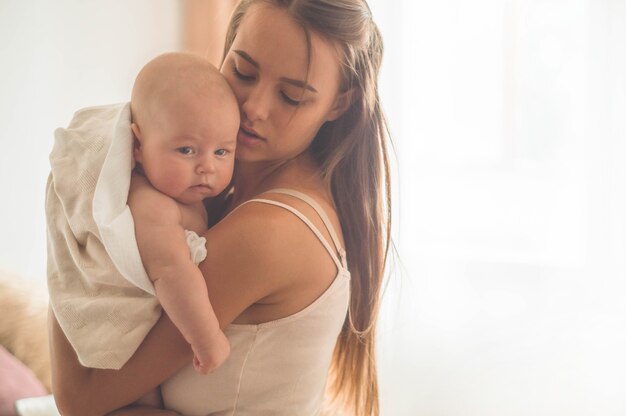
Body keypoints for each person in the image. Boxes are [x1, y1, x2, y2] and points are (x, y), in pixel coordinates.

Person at [49, 0, 392, 415]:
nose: (254, 108)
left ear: (339, 104)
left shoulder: (269, 231)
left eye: (291, 96)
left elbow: (81, 399)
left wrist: (78, 210)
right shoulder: (224, 196)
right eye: (243, 72)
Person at [128, 53, 236, 375]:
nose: (207, 166)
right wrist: (207, 339)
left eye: (221, 151)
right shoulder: (152, 204)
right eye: (186, 150)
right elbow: (171, 271)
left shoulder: (183, 194)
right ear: (138, 145)